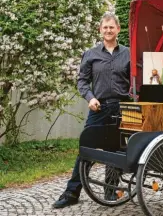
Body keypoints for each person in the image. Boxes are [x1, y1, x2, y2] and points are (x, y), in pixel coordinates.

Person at [53, 12, 130, 208]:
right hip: (99, 107)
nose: (108, 30)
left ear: (118, 29)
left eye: (112, 27)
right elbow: (82, 82)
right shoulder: (91, 54)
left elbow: (136, 81)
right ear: (100, 30)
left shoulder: (128, 53)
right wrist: (90, 97)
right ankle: (71, 193)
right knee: (86, 149)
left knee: (114, 150)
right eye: (105, 27)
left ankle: (110, 192)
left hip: (122, 108)